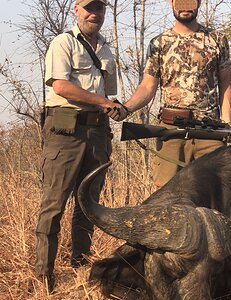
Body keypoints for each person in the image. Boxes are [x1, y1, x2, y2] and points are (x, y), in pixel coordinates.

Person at [35, 0, 126, 291]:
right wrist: (103, 103)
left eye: (99, 9)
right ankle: (43, 275)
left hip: (98, 131)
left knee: (88, 202)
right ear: (76, 9)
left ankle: (81, 266)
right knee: (54, 204)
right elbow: (60, 86)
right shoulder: (63, 43)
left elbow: (109, 92)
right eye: (88, 7)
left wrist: (116, 107)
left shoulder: (106, 48)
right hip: (65, 130)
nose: (94, 13)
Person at [114, 0, 231, 187]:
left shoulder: (217, 40)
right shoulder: (158, 43)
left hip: (210, 132)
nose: (184, 5)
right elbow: (147, 86)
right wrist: (125, 109)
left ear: (199, 2)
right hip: (171, 131)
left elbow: (225, 86)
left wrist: (228, 125)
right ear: (171, 3)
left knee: (216, 192)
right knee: (167, 197)